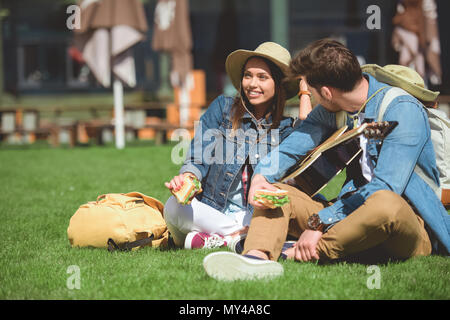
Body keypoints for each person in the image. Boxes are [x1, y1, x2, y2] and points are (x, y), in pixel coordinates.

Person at [202, 39, 450, 281]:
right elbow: (292, 148)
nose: (308, 98)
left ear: (328, 93)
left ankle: (296, 253)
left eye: (311, 92)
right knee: (275, 191)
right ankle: (256, 258)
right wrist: (261, 177)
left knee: (384, 202)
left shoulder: (402, 110)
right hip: (345, 212)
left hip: (406, 225)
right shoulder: (334, 109)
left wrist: (320, 222)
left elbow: (386, 186)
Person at [164, 42, 311, 250]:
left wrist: (305, 91)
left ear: (278, 84)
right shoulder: (222, 109)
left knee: (280, 213)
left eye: (262, 77)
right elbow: (198, 158)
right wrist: (187, 179)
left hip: (254, 214)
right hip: (214, 211)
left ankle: (217, 239)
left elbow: (308, 138)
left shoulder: (286, 129)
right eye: (248, 75)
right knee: (173, 208)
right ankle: (236, 238)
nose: (252, 83)